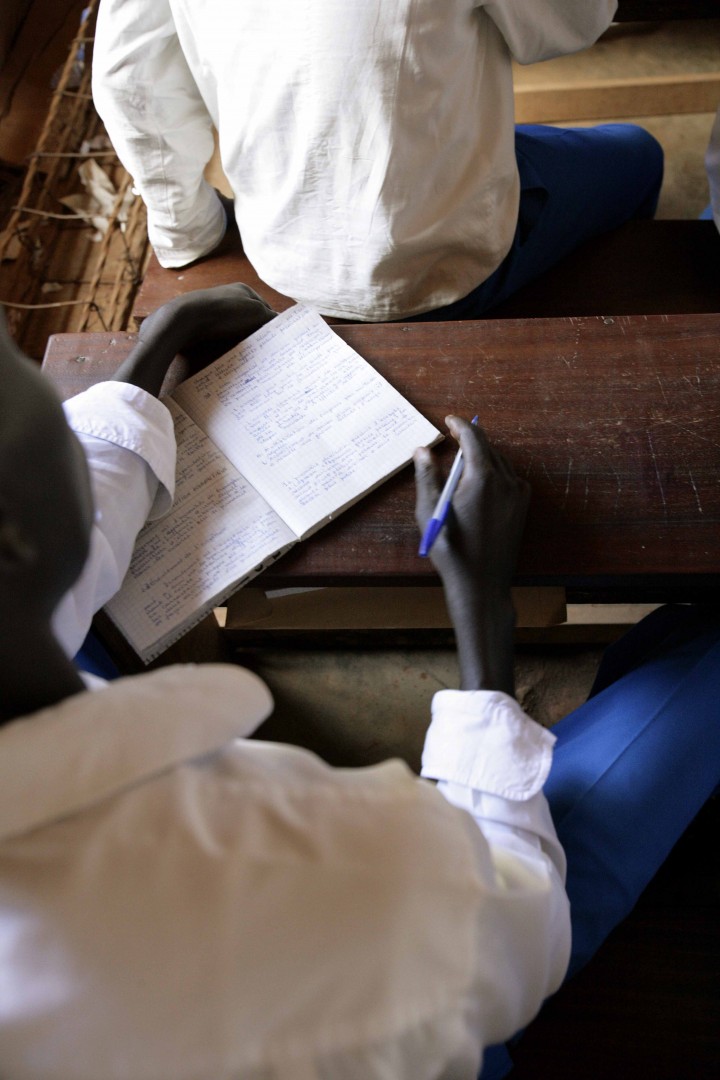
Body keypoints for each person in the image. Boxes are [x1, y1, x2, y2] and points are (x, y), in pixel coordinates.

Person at [1, 287, 718, 1079]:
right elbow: (509, 927)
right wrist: (484, 617)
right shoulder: (252, 868)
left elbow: (64, 546)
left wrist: (155, 351)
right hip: (457, 951)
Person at [91, 1, 664, 322]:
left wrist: (188, 232)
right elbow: (579, 20)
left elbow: (127, 79)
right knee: (641, 153)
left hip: (280, 252)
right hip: (447, 266)